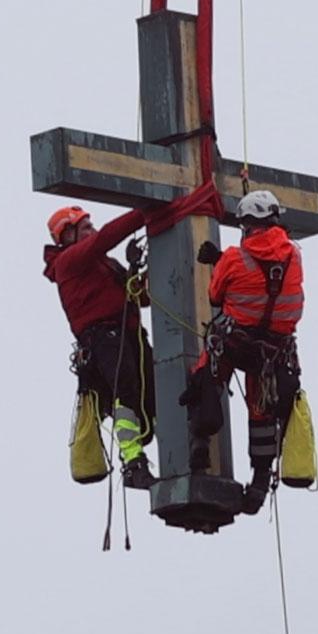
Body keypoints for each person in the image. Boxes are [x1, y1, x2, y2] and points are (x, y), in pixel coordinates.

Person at [42, 183, 220, 489]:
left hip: (127, 336)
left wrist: (144, 269)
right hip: (105, 339)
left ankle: (181, 450)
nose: (91, 230)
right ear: (67, 236)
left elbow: (141, 297)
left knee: (159, 393)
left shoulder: (102, 265)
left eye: (90, 225)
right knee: (125, 392)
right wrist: (145, 211)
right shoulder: (69, 263)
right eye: (84, 227)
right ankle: (133, 464)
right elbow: (106, 237)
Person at [185, 189, 305, 514]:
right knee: (261, 410)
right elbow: (269, 274)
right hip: (272, 351)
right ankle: (260, 482)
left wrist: (219, 262)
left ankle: (199, 441)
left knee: (205, 374)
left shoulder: (235, 259)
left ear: (247, 223)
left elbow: (214, 295)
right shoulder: (294, 255)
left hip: (236, 343)